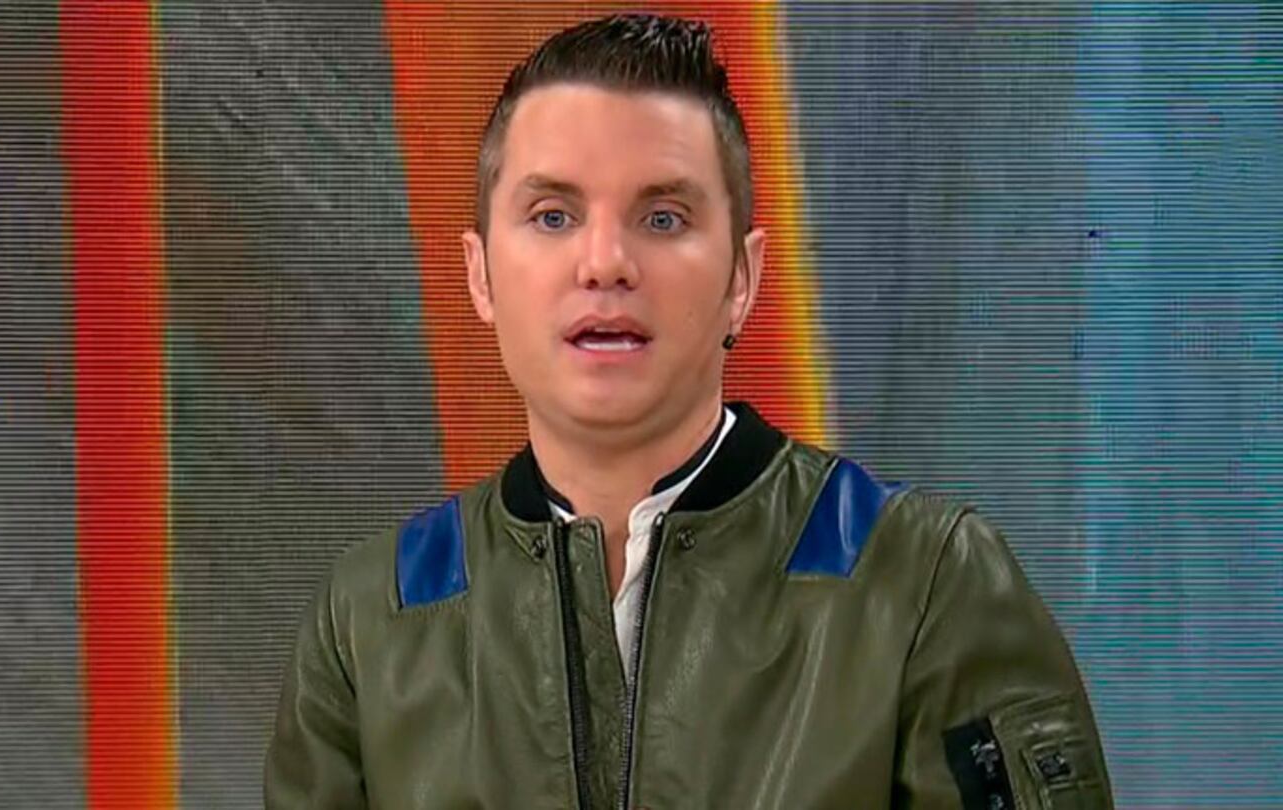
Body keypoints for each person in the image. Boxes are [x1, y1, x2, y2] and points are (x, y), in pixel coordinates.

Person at [265, 13, 1112, 809]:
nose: (605, 262)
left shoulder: (925, 584)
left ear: (742, 278)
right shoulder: (369, 623)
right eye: (553, 215)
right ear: (481, 275)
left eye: (663, 217)